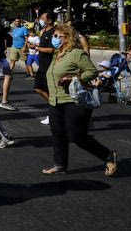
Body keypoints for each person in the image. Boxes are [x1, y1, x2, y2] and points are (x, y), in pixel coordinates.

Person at [42, 24, 117, 176]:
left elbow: (92, 72)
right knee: (58, 133)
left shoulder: (76, 54)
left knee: (76, 136)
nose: (54, 39)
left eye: (57, 36)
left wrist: (74, 78)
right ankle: (60, 165)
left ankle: (107, 155)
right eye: (53, 36)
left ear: (67, 38)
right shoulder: (58, 54)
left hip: (73, 100)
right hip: (55, 101)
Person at [32, 11, 56, 125]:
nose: (40, 20)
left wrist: (37, 48)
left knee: (48, 89)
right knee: (38, 88)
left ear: (49, 20)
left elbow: (51, 50)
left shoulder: (53, 32)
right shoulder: (43, 31)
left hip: (48, 65)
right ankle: (54, 106)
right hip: (42, 65)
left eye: (42, 18)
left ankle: (54, 111)